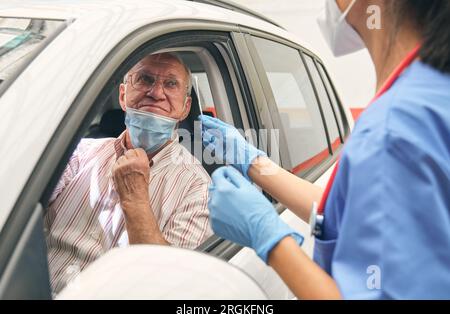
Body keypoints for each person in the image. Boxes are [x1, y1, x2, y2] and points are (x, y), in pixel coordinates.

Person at [201, 0, 450, 299]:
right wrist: (254, 162)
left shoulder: (393, 130)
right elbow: (350, 212)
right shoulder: (429, 96)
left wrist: (270, 239)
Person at [45, 53, 212, 294]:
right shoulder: (79, 153)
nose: (156, 93)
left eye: (171, 84)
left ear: (185, 108)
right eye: (145, 79)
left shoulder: (199, 188)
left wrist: (135, 200)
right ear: (123, 96)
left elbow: (168, 285)